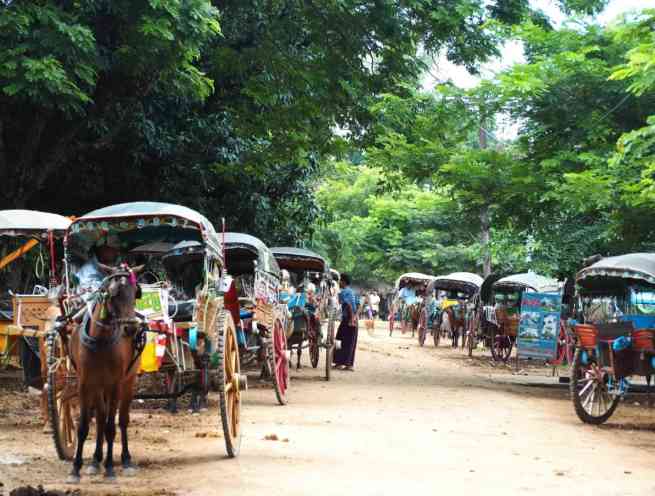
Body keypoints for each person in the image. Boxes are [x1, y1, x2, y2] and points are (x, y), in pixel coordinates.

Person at [333, 273, 358, 371]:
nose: (339, 283)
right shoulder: (352, 291)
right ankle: (348, 364)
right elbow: (358, 305)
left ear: (343, 282)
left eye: (340, 281)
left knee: (340, 339)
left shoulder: (344, 292)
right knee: (350, 341)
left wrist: (352, 318)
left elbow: (349, 305)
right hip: (353, 318)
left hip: (348, 319)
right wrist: (355, 317)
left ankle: (341, 363)